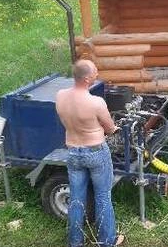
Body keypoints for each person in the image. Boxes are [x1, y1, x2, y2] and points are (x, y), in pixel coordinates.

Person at [56, 59, 124, 247]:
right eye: (95, 72)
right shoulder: (96, 102)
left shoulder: (60, 96)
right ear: (86, 79)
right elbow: (110, 129)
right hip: (95, 152)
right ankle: (107, 241)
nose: (97, 74)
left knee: (76, 198)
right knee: (103, 196)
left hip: (73, 152)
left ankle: (75, 241)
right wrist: (114, 127)